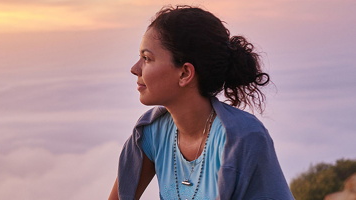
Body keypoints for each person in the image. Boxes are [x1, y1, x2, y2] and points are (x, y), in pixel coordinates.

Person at [109, 5, 294, 200]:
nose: (134, 68)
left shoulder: (242, 138)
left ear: (185, 73)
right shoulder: (151, 131)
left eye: (147, 58)